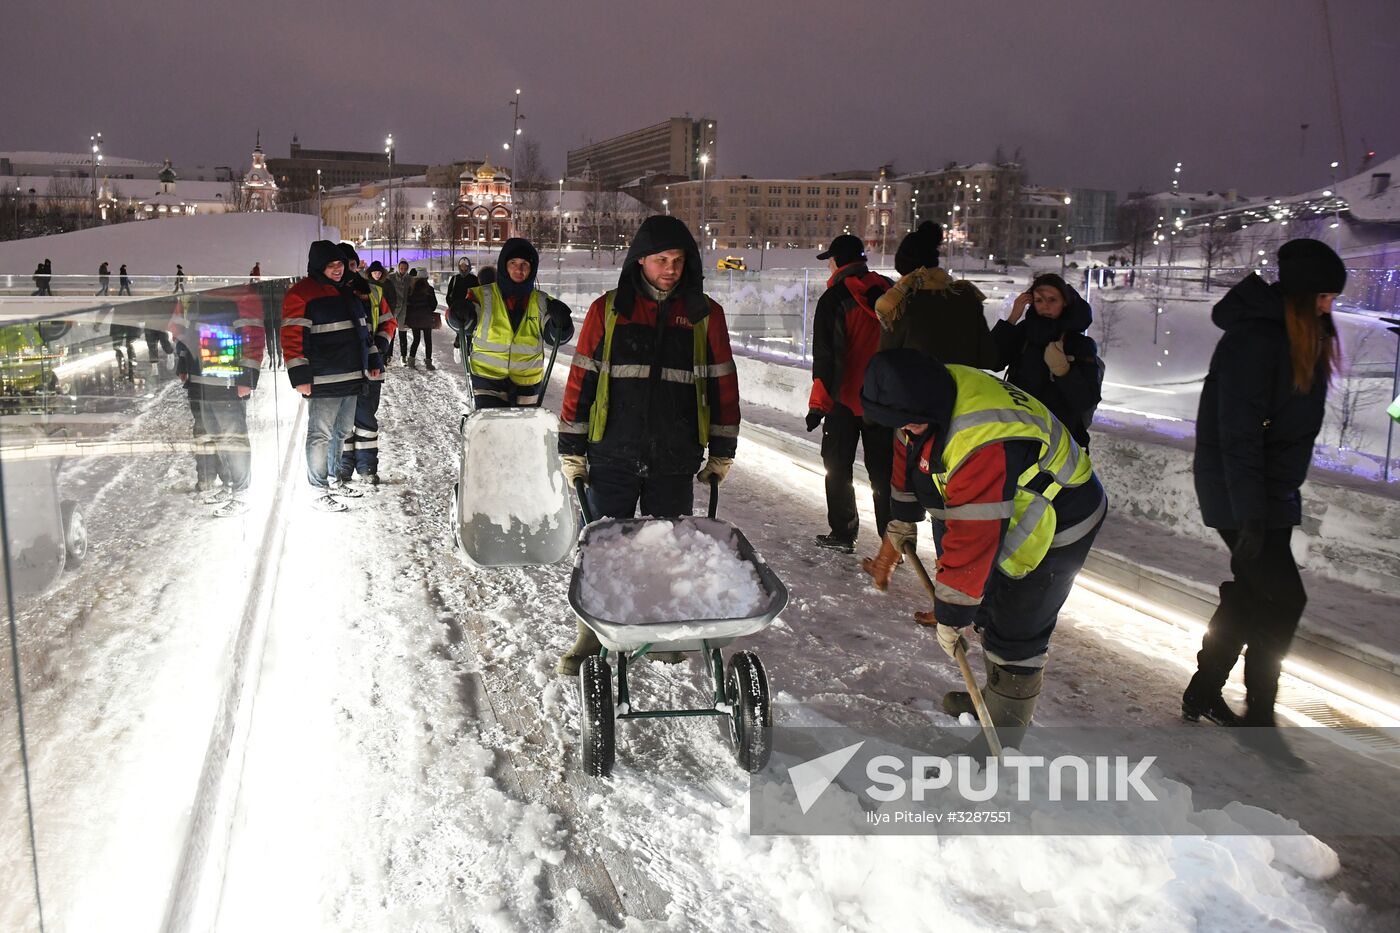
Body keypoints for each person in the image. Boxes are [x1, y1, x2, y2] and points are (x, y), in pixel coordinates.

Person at [861, 348, 1107, 748]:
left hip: (1061, 513)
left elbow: (973, 539)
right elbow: (909, 453)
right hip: (1007, 504)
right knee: (990, 606)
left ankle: (1002, 738)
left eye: (908, 421)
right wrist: (901, 522)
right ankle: (994, 700)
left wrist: (951, 614)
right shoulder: (924, 396)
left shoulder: (979, 437)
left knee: (1018, 625)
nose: (903, 428)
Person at [1182, 239, 1345, 770]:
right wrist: (1252, 512)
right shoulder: (1256, 338)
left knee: (1253, 596)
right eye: (1321, 296)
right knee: (1283, 598)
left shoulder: (1297, 336)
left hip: (1265, 492)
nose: (1328, 307)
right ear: (1299, 295)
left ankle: (1204, 692)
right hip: (1241, 491)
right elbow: (1240, 433)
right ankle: (1259, 718)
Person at [556, 215, 741, 674]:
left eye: (679, 260)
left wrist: (722, 451)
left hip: (674, 456)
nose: (672, 268)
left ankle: (662, 635)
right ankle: (591, 636)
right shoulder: (610, 309)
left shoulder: (704, 315)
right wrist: (571, 447)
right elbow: (581, 378)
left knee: (666, 549)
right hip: (611, 450)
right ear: (641, 259)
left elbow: (723, 386)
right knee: (600, 547)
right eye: (662, 259)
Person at [805, 234, 893, 553]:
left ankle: (844, 533)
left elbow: (825, 357)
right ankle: (892, 543)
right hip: (885, 402)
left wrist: (818, 405)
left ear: (839, 262)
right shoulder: (889, 291)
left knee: (837, 467)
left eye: (830, 260)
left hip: (844, 400)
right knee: (884, 474)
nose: (829, 265)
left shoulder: (834, 299)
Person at [281, 240, 383, 511]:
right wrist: (300, 375)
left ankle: (335, 478)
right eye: (331, 265)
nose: (338, 269)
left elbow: (364, 332)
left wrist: (373, 359)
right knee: (320, 435)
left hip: (350, 376)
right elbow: (292, 337)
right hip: (323, 378)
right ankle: (317, 489)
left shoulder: (347, 291)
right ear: (318, 266)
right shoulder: (301, 294)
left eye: (340, 264)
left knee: (342, 432)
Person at [168, 285, 266, 516]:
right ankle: (231, 486)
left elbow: (253, 337)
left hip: (226, 381)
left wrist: (246, 378)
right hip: (201, 381)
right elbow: (185, 334)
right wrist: (184, 366)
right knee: (217, 436)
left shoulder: (241, 294)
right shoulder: (195, 296)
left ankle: (242, 493)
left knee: (233, 437)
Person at [447, 238, 573, 405]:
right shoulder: (482, 296)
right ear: (504, 265)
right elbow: (464, 323)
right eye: (513, 262)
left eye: (525, 264)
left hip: (527, 383)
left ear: (532, 268)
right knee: (490, 429)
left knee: (524, 430)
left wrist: (561, 324)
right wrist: (458, 313)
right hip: (488, 381)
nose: (519, 269)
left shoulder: (542, 302)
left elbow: (555, 338)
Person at [989, 272, 1102, 451]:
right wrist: (1011, 320)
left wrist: (1064, 372)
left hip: (1058, 441)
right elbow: (993, 361)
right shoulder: (1024, 333)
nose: (1045, 307)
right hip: (1018, 434)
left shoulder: (1079, 344)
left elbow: (1086, 400)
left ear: (1065, 301)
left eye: (1052, 300)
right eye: (1039, 301)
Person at [875, 221, 999, 367]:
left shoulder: (899, 304)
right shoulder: (966, 296)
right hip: (966, 387)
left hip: (918, 388)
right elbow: (988, 358)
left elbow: (885, 366)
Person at [337, 250, 397, 484]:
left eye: (353, 264)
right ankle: (343, 467)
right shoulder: (331, 292)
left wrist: (380, 348)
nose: (350, 269)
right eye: (345, 264)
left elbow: (389, 321)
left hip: (370, 364)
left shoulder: (374, 291)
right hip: (342, 367)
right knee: (342, 421)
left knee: (366, 419)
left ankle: (366, 468)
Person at [402, 268, 440, 369]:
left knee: (416, 339)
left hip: (414, 318)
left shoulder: (411, 289)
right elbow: (434, 305)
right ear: (426, 277)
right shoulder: (429, 289)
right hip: (426, 318)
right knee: (428, 340)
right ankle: (428, 363)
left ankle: (411, 361)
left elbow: (408, 303)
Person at [390, 260, 413, 363]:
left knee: (402, 334)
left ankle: (403, 356)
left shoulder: (409, 279)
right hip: (393, 309)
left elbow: (412, 292)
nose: (403, 270)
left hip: (404, 309)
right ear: (398, 268)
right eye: (401, 268)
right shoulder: (391, 278)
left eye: (405, 268)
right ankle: (388, 355)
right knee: (391, 333)